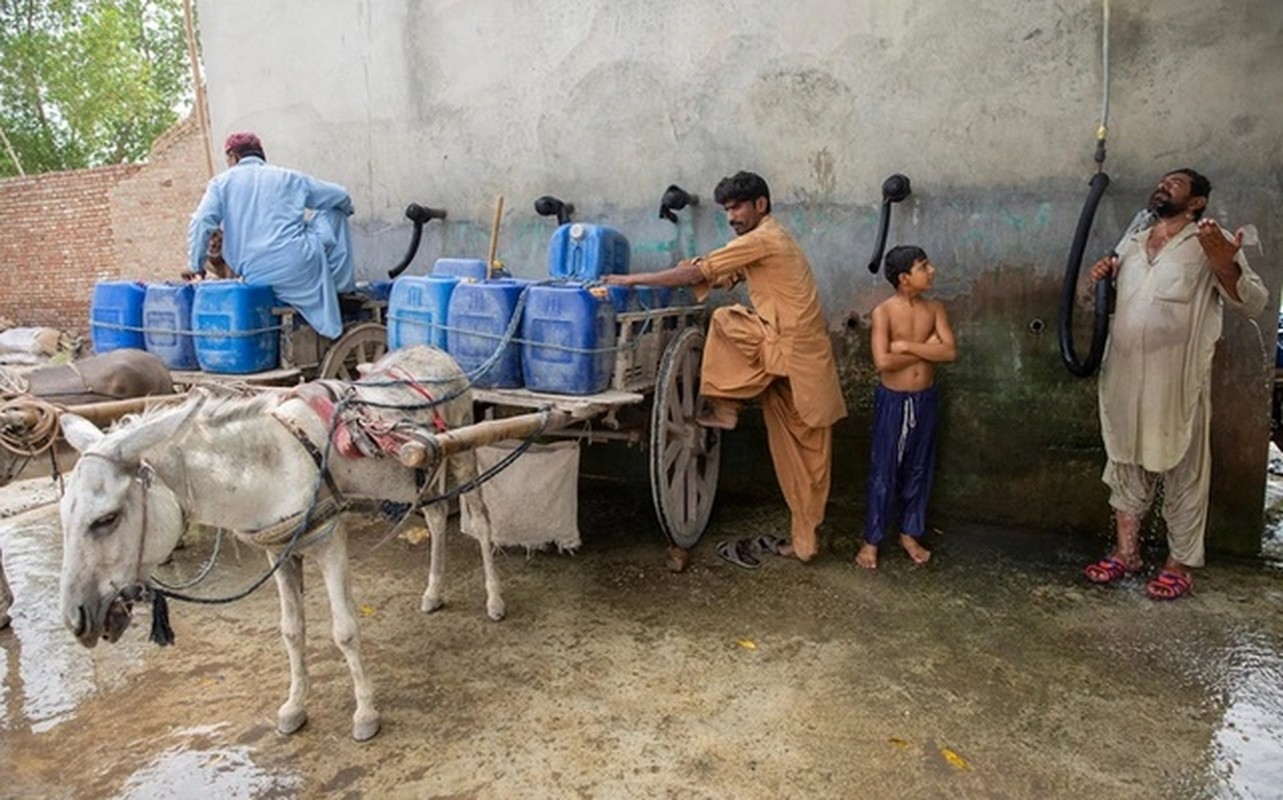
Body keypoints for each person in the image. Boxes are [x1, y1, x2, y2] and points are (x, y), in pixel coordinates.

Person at [604, 171, 847, 567]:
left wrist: (633, 279)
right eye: (727, 210)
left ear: (760, 206)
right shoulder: (769, 242)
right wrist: (699, 270)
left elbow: (702, 273)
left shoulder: (763, 239)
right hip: (801, 361)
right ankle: (805, 542)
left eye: (736, 207)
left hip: (791, 354)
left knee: (725, 321)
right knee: (800, 458)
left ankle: (726, 407)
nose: (731, 216)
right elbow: (724, 273)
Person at [1083, 168, 1267, 600]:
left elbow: (1253, 303)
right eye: (1163, 181)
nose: (1164, 185)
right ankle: (1125, 553)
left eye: (1176, 183)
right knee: (1125, 463)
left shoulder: (1209, 239)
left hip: (1178, 380)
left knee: (1184, 470)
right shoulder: (1132, 241)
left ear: (1197, 201)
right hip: (1124, 374)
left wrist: (1225, 262)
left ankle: (1178, 562)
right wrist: (1096, 282)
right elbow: (1096, 304)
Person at [186, 132, 356, 339]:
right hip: (300, 272)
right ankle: (341, 287)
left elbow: (202, 221)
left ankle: (334, 291)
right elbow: (341, 195)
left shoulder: (221, 183)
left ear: (233, 156)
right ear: (261, 154)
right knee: (334, 210)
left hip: (254, 276)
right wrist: (347, 209)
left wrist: (196, 266)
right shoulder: (289, 177)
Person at [856, 245, 956, 570]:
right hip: (893, 402)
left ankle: (909, 533)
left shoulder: (935, 309)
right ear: (904, 278)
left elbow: (949, 352)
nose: (932, 271)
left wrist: (908, 347)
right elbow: (883, 361)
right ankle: (871, 539)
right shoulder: (883, 312)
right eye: (923, 267)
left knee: (919, 467)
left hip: (925, 399)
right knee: (884, 470)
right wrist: (926, 349)